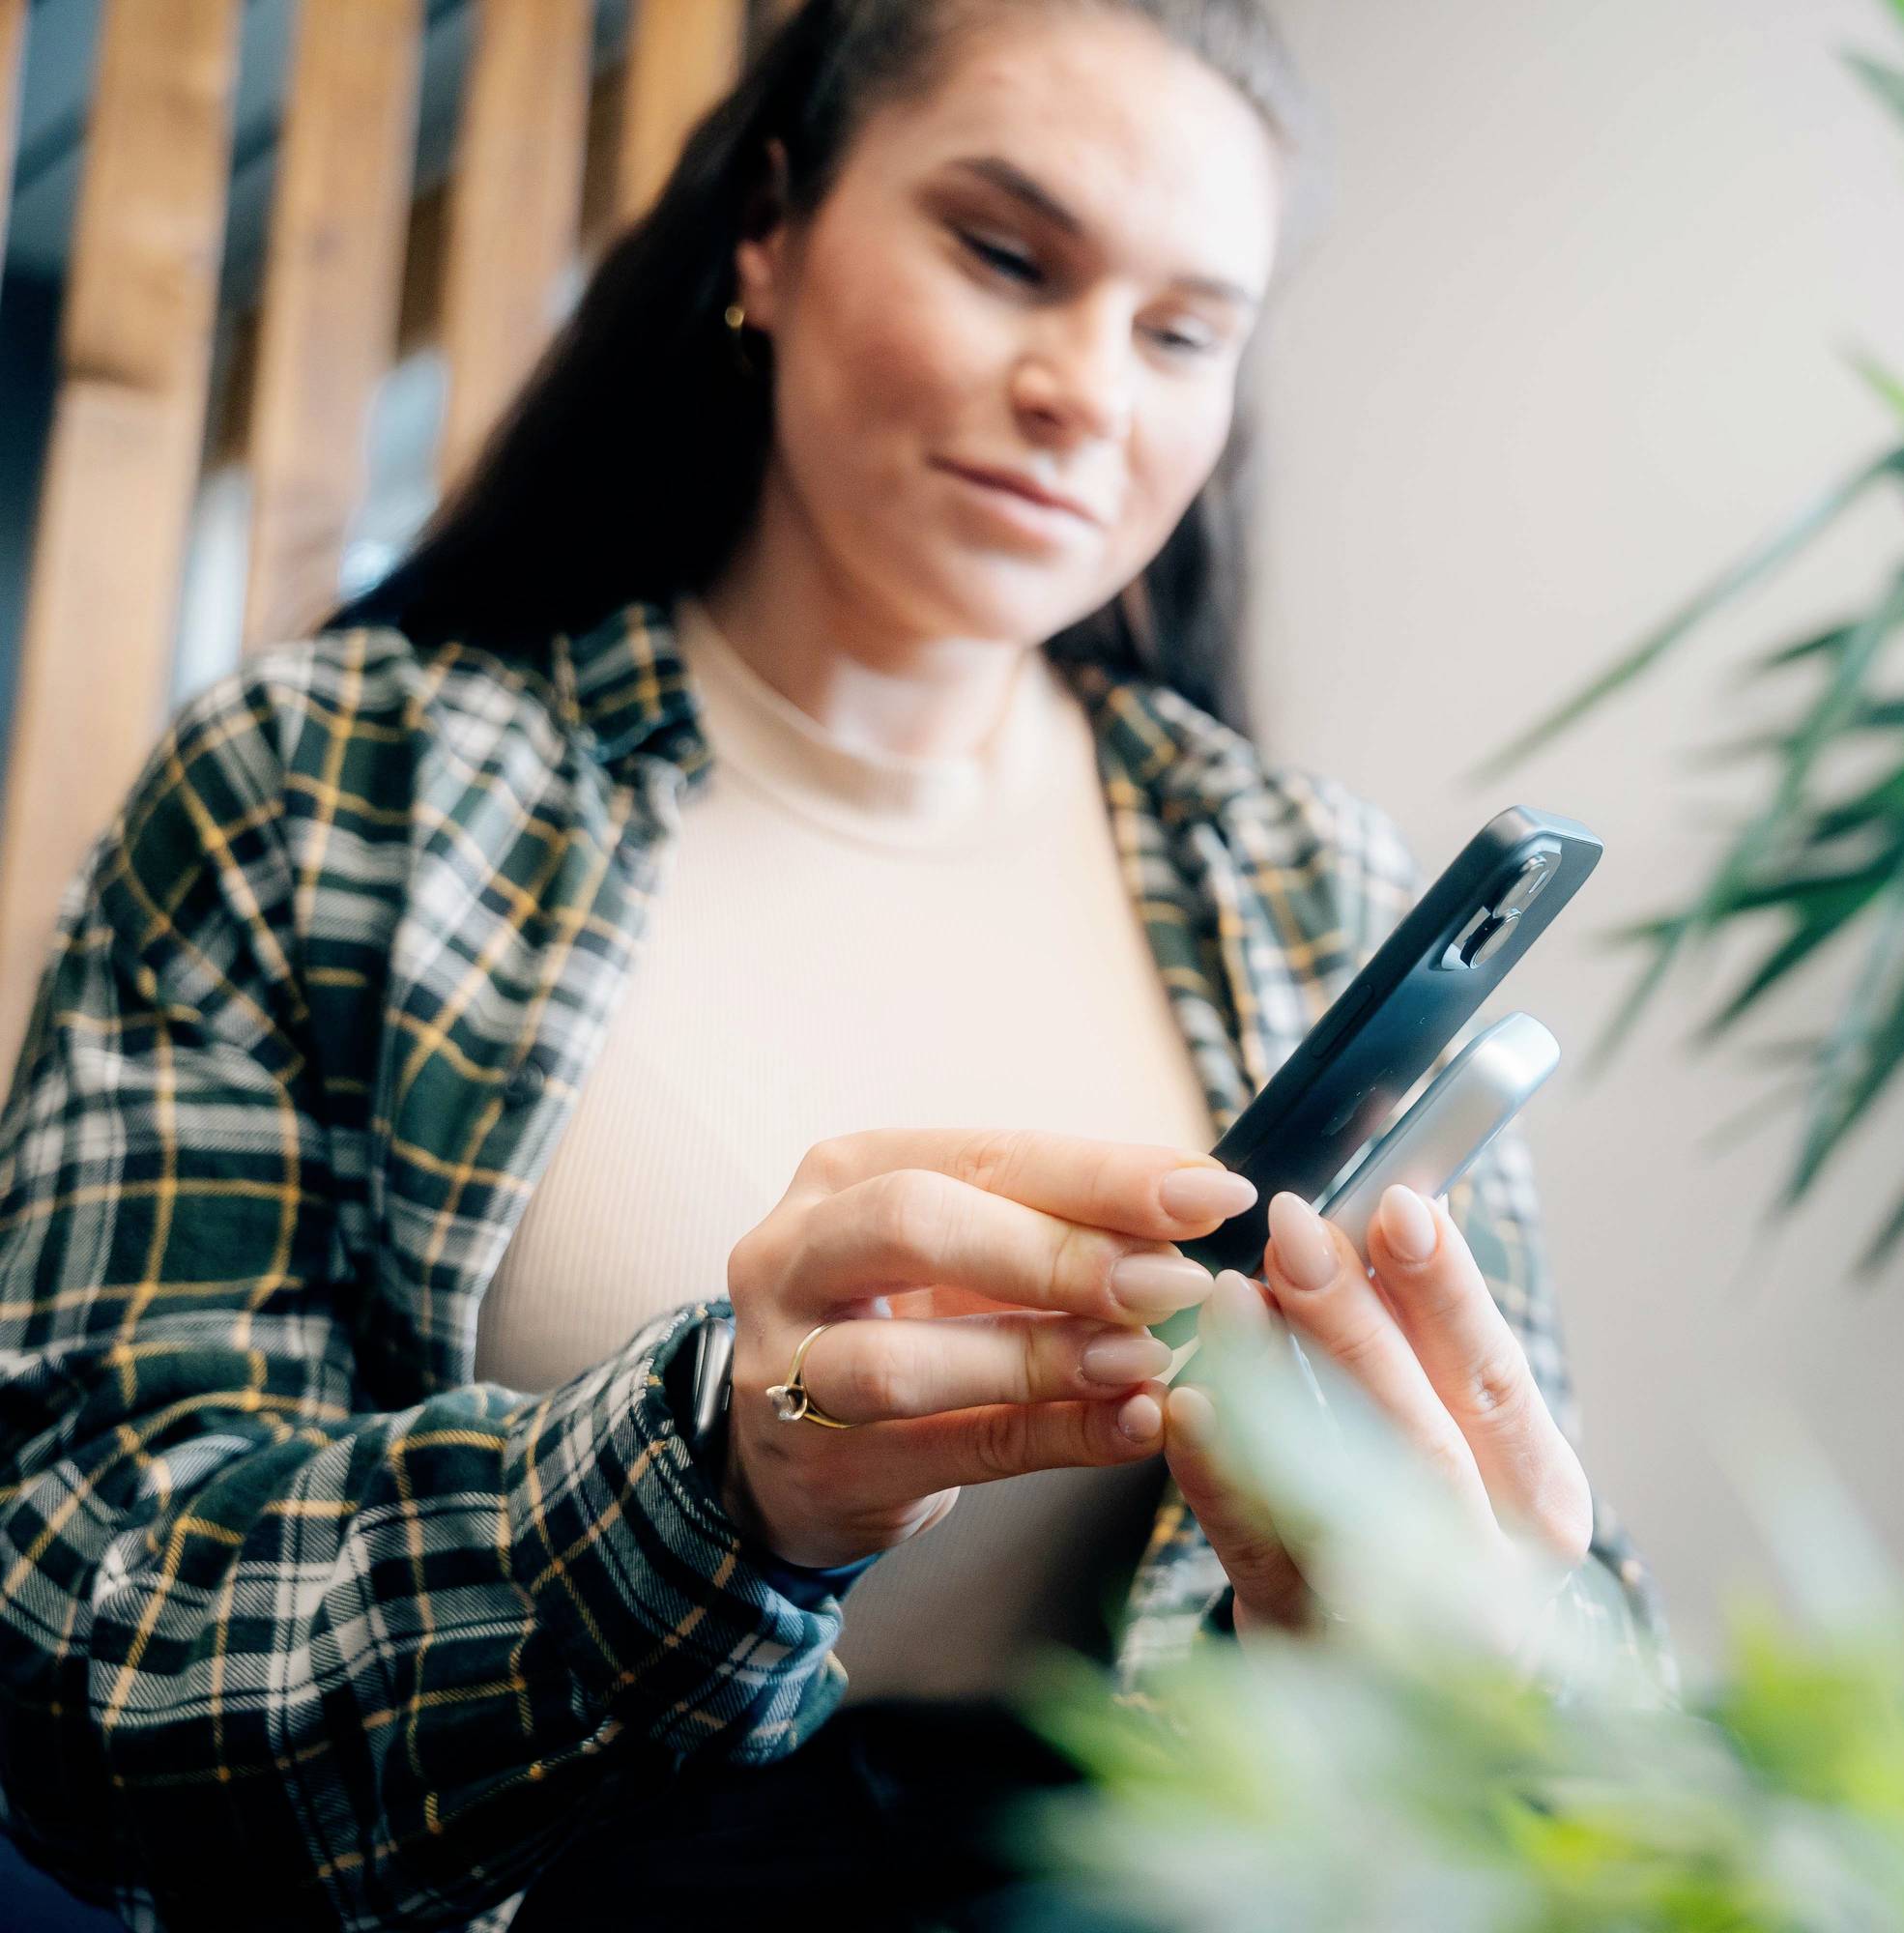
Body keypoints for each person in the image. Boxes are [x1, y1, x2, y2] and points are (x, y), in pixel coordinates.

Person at [0, 2, 1670, 1927]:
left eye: (1182, 333)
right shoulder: (320, 792)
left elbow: (1582, 1711)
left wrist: (1464, 1664)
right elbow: (79, 1649)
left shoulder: (1305, 887)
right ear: (769, 233)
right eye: (1006, 255)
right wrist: (711, 1482)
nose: (1085, 388)